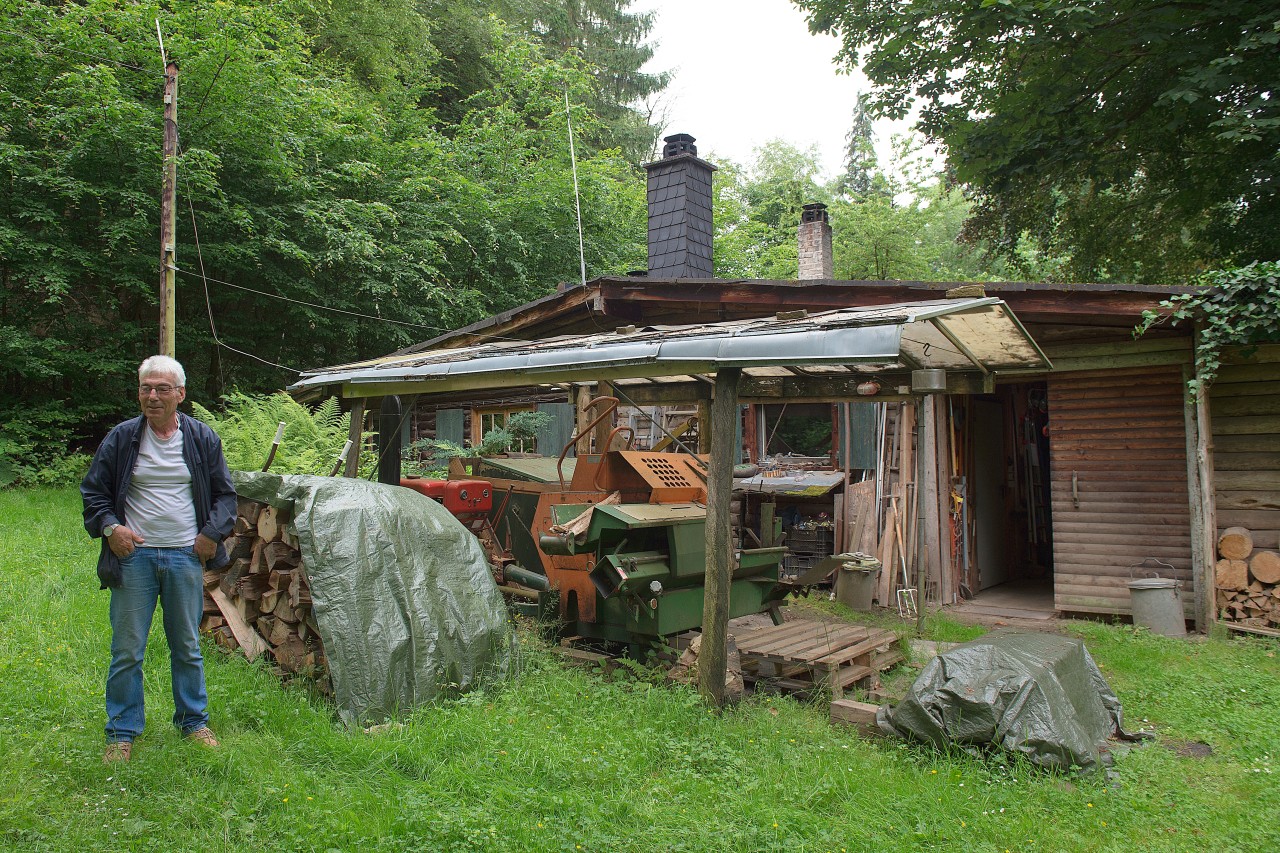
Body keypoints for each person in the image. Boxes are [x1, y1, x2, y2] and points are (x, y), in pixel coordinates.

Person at [81, 355, 237, 763]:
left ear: (180, 395)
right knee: (128, 648)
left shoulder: (202, 438)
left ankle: (193, 722)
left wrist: (210, 535)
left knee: (186, 645)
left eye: (162, 389)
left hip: (186, 555)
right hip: (136, 557)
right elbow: (93, 494)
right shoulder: (122, 438)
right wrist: (112, 530)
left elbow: (225, 496)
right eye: (146, 388)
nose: (152, 396)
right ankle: (121, 732)